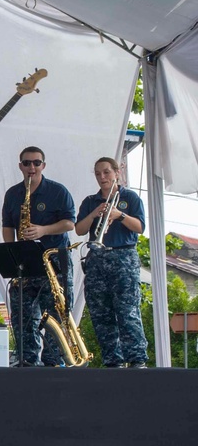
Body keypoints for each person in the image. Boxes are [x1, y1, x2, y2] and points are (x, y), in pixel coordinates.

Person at [1, 146, 75, 366]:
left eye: (36, 163)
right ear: (20, 166)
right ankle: (27, 360)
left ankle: (53, 363)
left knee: (54, 315)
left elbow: (70, 223)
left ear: (44, 165)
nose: (31, 167)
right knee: (22, 316)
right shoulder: (13, 194)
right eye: (26, 163)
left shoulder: (57, 191)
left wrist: (42, 230)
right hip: (25, 262)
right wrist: (12, 253)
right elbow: (7, 227)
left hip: (53, 262)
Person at [75, 157, 148, 368]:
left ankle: (136, 359)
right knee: (100, 312)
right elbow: (79, 230)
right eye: (98, 174)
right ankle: (112, 359)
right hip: (97, 258)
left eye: (106, 172)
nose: (102, 177)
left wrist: (119, 215)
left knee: (127, 310)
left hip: (123, 258)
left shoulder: (130, 198)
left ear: (116, 172)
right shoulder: (91, 201)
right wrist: (94, 214)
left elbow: (140, 227)